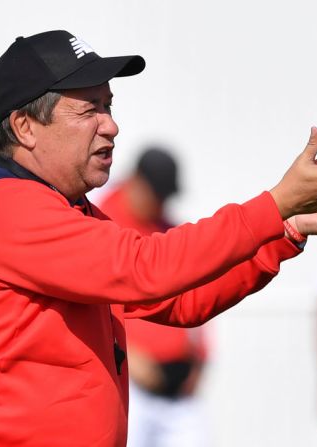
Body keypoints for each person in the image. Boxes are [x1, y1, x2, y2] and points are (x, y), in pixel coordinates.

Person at [0, 29, 317, 447]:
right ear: (24, 127)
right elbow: (147, 269)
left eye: (109, 105)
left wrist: (285, 230)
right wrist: (274, 204)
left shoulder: (63, 210)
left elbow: (183, 298)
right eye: (89, 109)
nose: (110, 125)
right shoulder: (3, 205)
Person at [99, 147, 210, 447]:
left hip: (179, 385)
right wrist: (126, 353)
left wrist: (201, 358)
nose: (161, 203)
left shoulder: (168, 228)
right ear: (137, 182)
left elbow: (195, 293)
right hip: (130, 381)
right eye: (157, 193)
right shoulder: (103, 222)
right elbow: (91, 302)